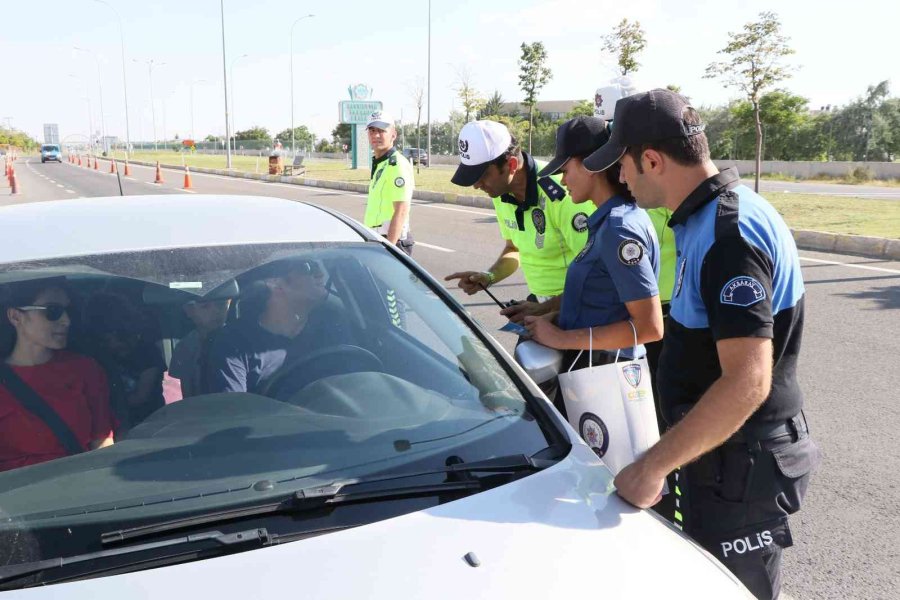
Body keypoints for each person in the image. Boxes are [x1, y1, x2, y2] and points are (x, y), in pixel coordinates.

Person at [586, 88, 819, 600]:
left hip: (741, 468)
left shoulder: (728, 233)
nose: (619, 177)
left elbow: (747, 382)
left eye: (622, 164)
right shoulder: (703, 220)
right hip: (719, 457)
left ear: (651, 159)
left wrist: (653, 466)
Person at [516, 116, 663, 413]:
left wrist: (561, 337)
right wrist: (546, 314)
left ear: (591, 166)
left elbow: (649, 327)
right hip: (592, 371)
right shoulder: (607, 222)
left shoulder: (619, 228)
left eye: (566, 169)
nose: (562, 180)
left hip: (607, 377)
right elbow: (604, 301)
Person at [445, 120, 594, 310]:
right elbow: (514, 248)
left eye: (481, 176)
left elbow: (597, 274)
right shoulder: (500, 191)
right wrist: (489, 277)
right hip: (540, 303)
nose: (476, 185)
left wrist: (546, 310)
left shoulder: (563, 193)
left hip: (575, 305)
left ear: (512, 165)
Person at [0, 279, 114, 472]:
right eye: (52, 311)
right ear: (15, 317)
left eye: (68, 311)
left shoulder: (85, 369)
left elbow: (102, 441)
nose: (66, 321)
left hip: (79, 489)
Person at [206, 258, 352, 395]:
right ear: (275, 283)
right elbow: (235, 415)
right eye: (308, 268)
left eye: (318, 267)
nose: (320, 274)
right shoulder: (233, 345)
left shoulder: (333, 330)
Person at [84, 292, 167, 429]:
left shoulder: (148, 353)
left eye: (108, 337)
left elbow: (141, 396)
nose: (106, 344)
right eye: (103, 339)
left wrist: (102, 407)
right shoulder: (97, 357)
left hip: (149, 427)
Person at [365, 111, 415, 255]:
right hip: (378, 239)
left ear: (393, 134)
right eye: (372, 131)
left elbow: (401, 210)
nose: (375, 135)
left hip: (392, 242)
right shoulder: (381, 163)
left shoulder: (396, 164)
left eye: (381, 131)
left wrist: (390, 250)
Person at [169, 297, 232, 398]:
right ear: (189, 310)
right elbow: (181, 390)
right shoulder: (185, 347)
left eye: (221, 304)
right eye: (205, 306)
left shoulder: (238, 342)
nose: (216, 311)